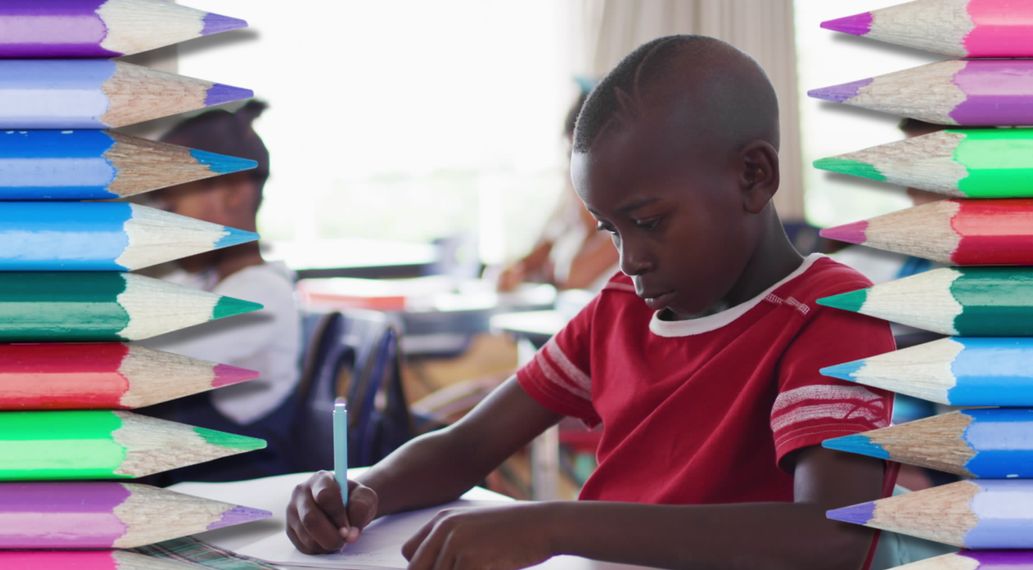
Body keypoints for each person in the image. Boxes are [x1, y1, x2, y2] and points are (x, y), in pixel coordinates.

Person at [288, 36, 896, 569]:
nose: (629, 259)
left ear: (754, 176)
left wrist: (552, 525)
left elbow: (833, 534)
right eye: (610, 229)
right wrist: (366, 490)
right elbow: (468, 447)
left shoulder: (829, 314)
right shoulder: (619, 310)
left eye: (650, 221)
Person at [141, 101, 302, 480]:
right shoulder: (196, 284)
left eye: (172, 196)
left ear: (233, 191)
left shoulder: (260, 295)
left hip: (235, 489)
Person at [496, 92, 619, 293]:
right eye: (569, 153)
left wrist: (587, 217)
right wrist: (514, 271)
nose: (572, 167)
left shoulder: (621, 219)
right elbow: (532, 260)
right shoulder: (568, 211)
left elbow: (575, 277)